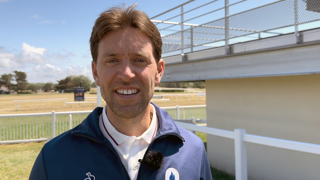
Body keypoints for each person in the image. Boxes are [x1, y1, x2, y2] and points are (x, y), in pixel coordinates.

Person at [29, 4, 212, 180]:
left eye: (139, 60)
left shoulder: (192, 151)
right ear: (95, 72)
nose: (126, 74)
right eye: (112, 60)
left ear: (159, 71)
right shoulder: (53, 158)